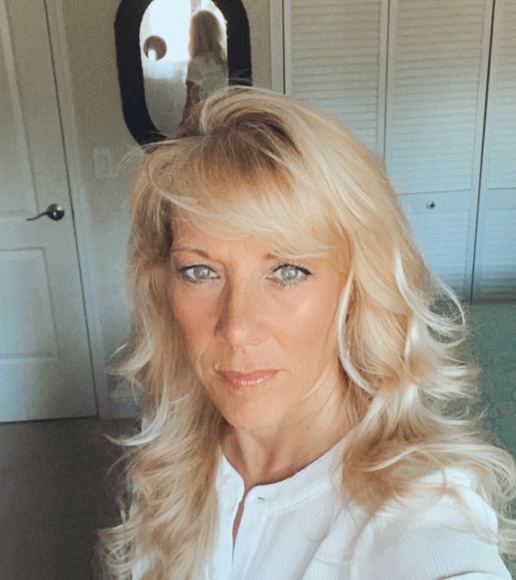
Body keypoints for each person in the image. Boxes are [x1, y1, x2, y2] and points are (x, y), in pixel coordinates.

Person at [98, 87, 516, 579]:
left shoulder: (418, 514)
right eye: (200, 271)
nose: (238, 328)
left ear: (355, 291)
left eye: (288, 271)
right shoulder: (171, 467)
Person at [181, 10, 228, 125]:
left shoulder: (196, 64)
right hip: (226, 115)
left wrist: (183, 124)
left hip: (206, 120)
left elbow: (191, 103)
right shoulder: (225, 61)